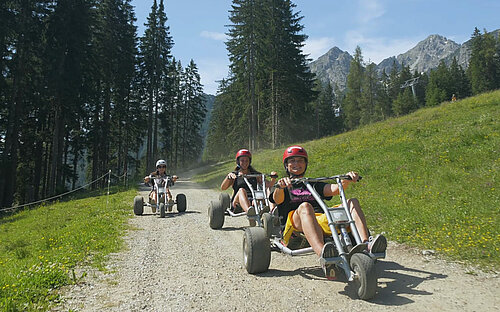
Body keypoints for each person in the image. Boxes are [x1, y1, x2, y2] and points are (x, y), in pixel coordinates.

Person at [270, 145, 386, 279]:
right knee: (305, 206)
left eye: (300, 160)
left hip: (319, 220)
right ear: (286, 165)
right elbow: (277, 200)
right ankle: (323, 255)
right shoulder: (282, 184)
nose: (297, 164)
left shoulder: (312, 183)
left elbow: (336, 189)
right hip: (294, 226)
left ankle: (365, 245)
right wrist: (280, 187)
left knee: (352, 202)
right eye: (293, 161)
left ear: (305, 164)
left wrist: (347, 178)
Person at [221, 149, 277, 223]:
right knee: (241, 190)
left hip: (253, 200)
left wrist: (273, 178)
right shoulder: (234, 175)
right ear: (238, 162)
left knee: (267, 190)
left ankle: (272, 211)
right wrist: (228, 177)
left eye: (246, 160)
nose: (245, 163)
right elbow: (223, 187)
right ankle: (250, 214)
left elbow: (268, 185)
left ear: (249, 162)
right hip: (238, 202)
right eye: (242, 160)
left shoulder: (255, 174)